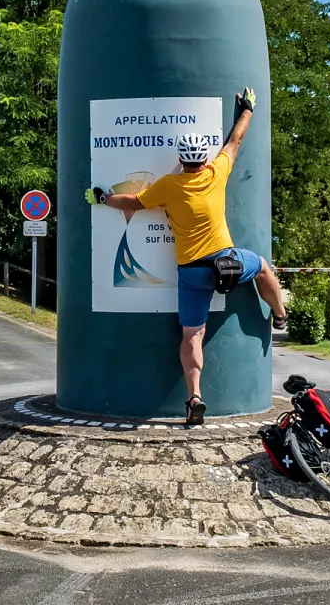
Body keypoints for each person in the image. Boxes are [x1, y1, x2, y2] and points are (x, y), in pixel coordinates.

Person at [86, 87, 288, 425]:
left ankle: (194, 396)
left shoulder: (168, 186)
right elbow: (235, 142)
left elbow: (134, 202)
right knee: (264, 268)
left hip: (192, 272)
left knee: (191, 335)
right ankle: (280, 315)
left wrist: (103, 198)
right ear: (204, 159)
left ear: (180, 159)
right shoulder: (216, 173)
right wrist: (248, 109)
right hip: (229, 262)